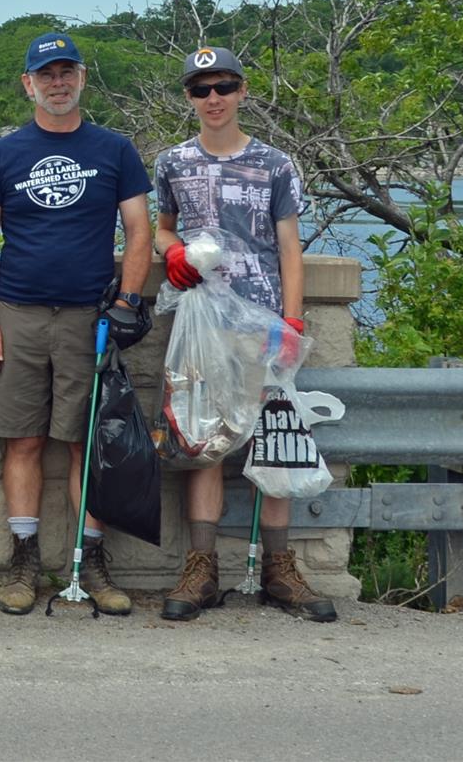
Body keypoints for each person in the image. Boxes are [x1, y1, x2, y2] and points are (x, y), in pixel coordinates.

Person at [0, 31, 153, 617]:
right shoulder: (1, 155)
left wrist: (127, 301)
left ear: (81, 79)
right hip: (17, 314)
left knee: (84, 445)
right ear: (28, 83)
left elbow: (140, 232)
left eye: (66, 71)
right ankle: (23, 559)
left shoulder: (115, 150)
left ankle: (89, 558)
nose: (57, 82)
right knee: (22, 440)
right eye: (45, 74)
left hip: (88, 319)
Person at [153, 46, 336, 623]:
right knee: (206, 438)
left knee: (272, 436)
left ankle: (279, 568)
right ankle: (201, 565)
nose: (213, 99)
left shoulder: (277, 163)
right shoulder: (172, 162)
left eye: (224, 87)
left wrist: (293, 321)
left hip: (262, 318)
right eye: (201, 90)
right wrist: (174, 253)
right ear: (188, 97)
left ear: (242, 92)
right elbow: (159, 230)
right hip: (201, 319)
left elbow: (289, 247)